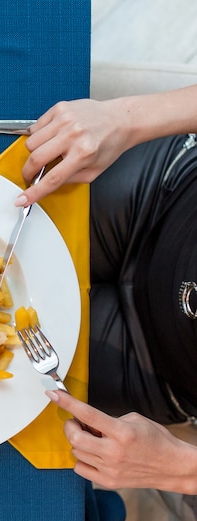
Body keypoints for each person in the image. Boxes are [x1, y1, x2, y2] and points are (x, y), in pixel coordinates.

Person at [13, 85, 197, 494]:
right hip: (166, 193)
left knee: (5, 386)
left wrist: (182, 470)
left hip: (159, 369)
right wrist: (128, 118)